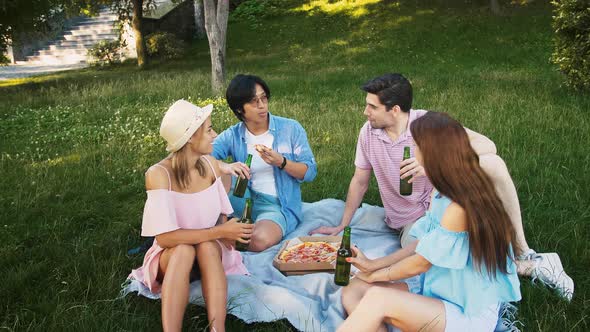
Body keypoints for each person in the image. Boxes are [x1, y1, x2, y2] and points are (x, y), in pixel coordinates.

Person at [309, 73, 573, 299]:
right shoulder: (368, 133)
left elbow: (488, 147)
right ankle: (523, 268)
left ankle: (524, 253)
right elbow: (360, 180)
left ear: (395, 109)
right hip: (411, 219)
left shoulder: (428, 126)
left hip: (443, 206)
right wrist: (343, 223)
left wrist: (432, 166)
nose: (365, 112)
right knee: (431, 264)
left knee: (492, 163)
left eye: (372, 107)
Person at [338, 112, 522, 332]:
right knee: (354, 287)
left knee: (377, 297)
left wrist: (375, 275)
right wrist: (372, 265)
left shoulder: (458, 207)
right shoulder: (441, 189)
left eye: (416, 145)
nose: (413, 151)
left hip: (465, 312)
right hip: (438, 289)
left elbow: (421, 263)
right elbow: (423, 244)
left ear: (431, 152)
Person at [128, 100, 254, 332]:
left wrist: (228, 232)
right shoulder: (159, 175)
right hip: (173, 254)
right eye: (208, 129)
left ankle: (218, 329)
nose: (215, 134)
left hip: (209, 250)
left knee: (206, 246)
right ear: (190, 138)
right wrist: (220, 232)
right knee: (184, 249)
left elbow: (220, 217)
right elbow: (165, 239)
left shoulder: (210, 165)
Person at [212, 74, 317, 252]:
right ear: (239, 109)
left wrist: (282, 162)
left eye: (264, 98)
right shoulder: (234, 134)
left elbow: (310, 172)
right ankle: (221, 228)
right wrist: (226, 166)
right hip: (241, 198)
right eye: (254, 102)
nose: (262, 106)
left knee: (258, 240)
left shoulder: (290, 128)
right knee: (214, 169)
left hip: (275, 205)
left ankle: (218, 237)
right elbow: (201, 157)